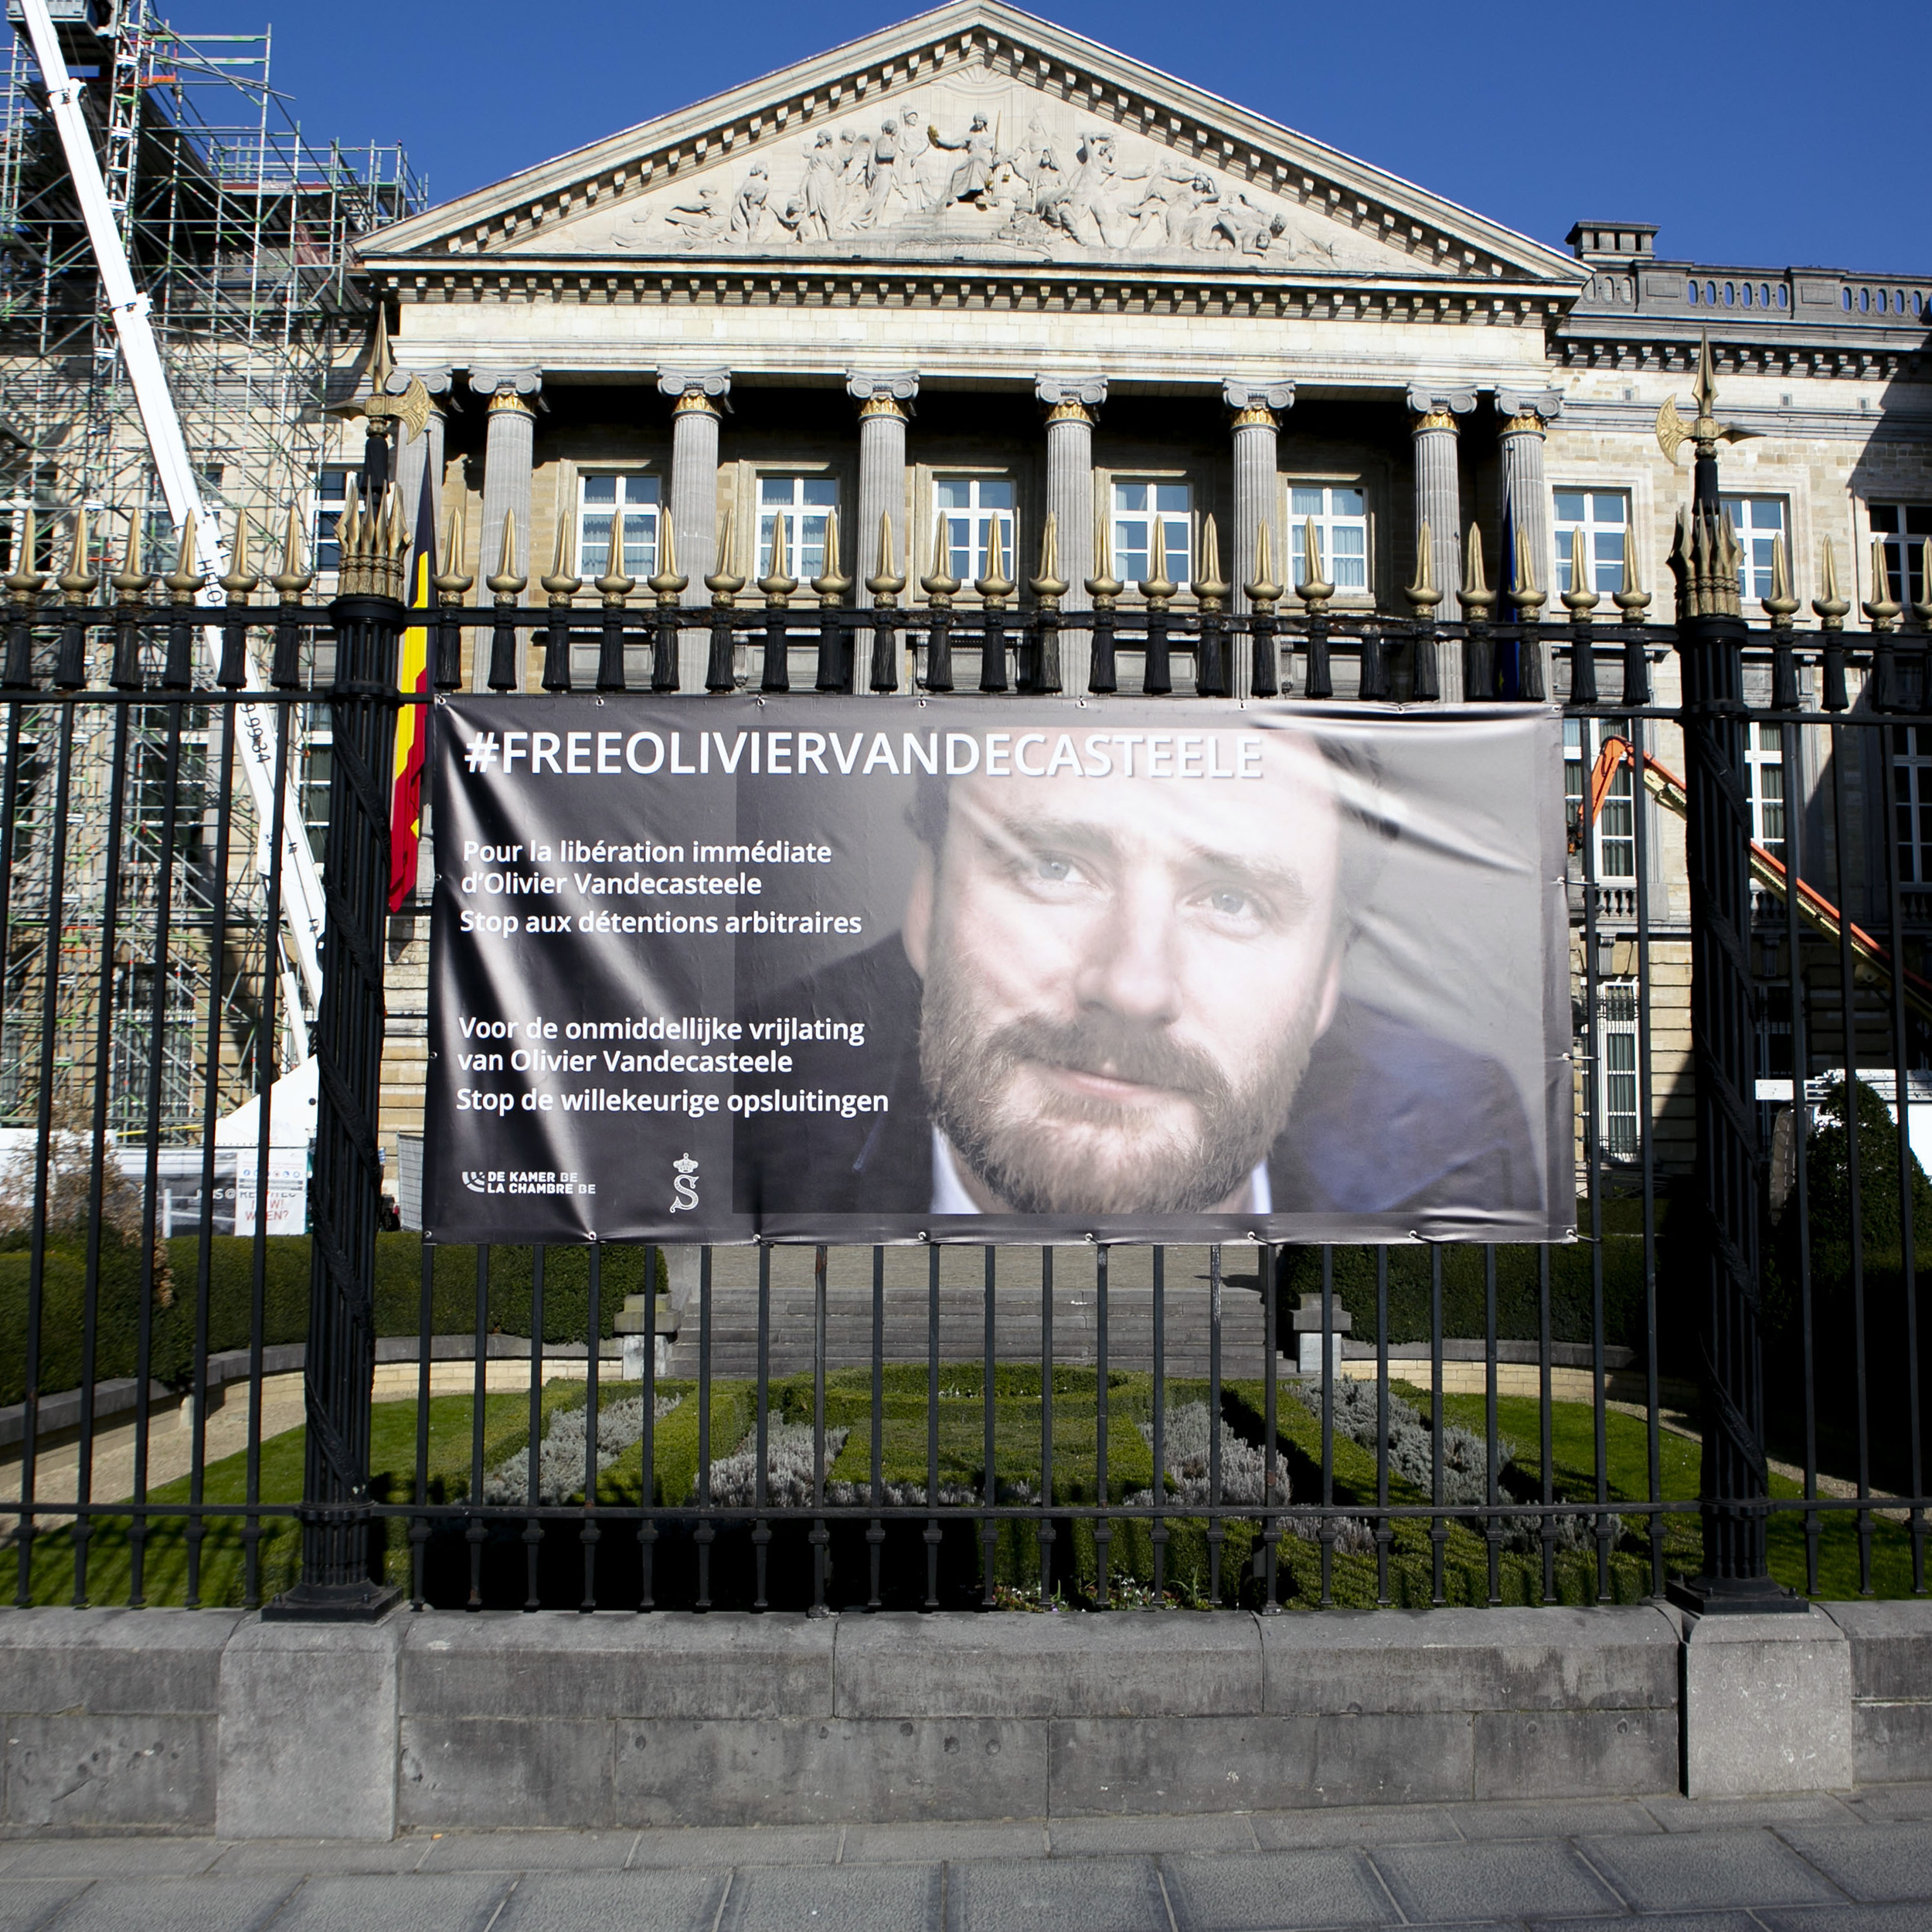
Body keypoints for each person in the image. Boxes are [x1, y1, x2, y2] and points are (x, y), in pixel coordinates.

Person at [733, 724, 1541, 1222]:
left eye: (1232, 899)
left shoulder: (1455, 1134)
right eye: (1053, 867)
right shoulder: (735, 1101)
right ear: (925, 900)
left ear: (1328, 973)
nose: (1131, 984)